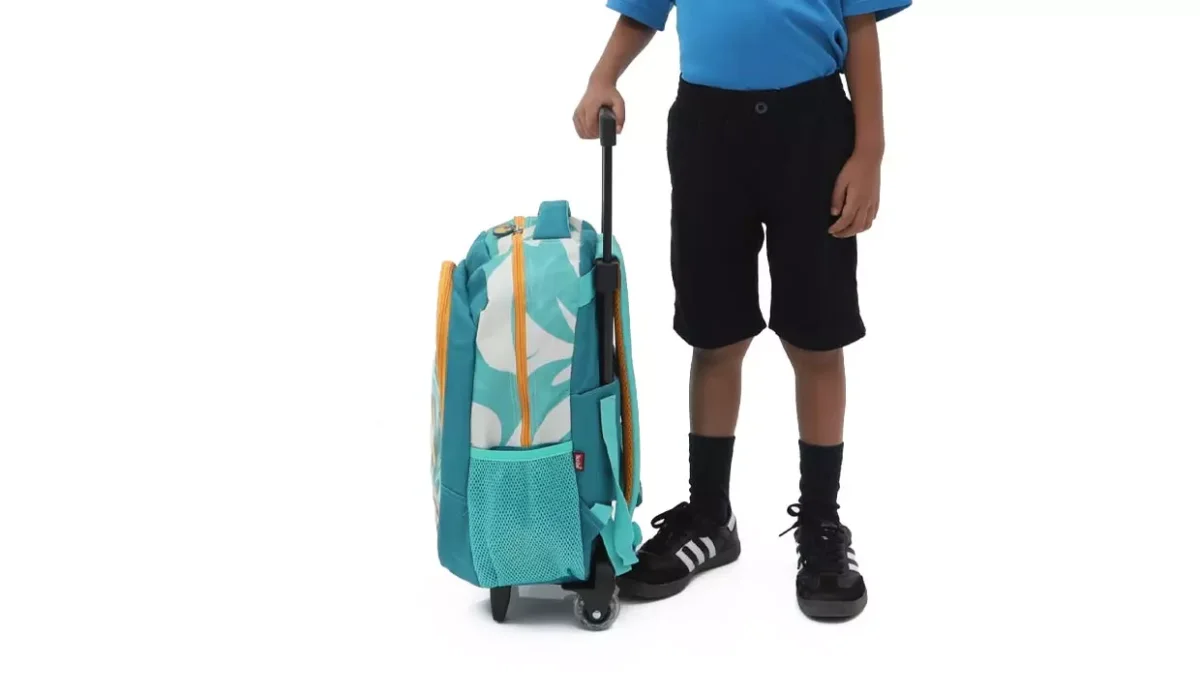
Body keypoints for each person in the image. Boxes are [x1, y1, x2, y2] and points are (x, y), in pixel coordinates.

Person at [572, 0, 909, 620]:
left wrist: (870, 151)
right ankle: (709, 514)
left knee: (816, 337)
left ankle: (821, 521)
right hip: (708, 130)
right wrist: (603, 76)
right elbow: (643, 10)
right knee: (715, 334)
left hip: (812, 130)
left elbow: (859, 25)